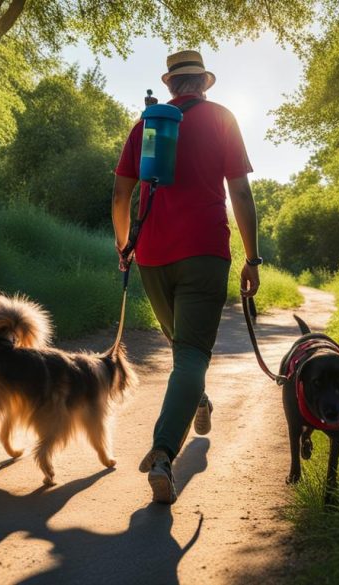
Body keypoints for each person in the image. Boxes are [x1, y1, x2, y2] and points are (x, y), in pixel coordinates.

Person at [111, 50, 262, 504]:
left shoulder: (147, 125)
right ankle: (162, 453)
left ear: (173, 86)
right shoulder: (222, 118)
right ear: (204, 84)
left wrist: (124, 246)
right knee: (192, 356)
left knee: (183, 350)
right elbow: (239, 189)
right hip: (205, 253)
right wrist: (252, 258)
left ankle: (194, 399)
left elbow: (122, 192)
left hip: (153, 255)